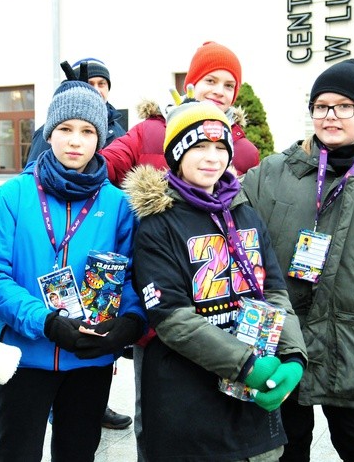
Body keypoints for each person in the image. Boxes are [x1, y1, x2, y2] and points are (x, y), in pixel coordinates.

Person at [242, 59, 354, 462]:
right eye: (321, 106)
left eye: (344, 106)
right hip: (287, 344)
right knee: (288, 450)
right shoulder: (273, 172)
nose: (330, 116)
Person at [122, 91, 307, 461]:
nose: (212, 157)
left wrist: (293, 356)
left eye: (220, 146)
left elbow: (273, 289)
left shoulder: (245, 213)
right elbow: (172, 318)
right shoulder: (158, 223)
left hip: (252, 405)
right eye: (198, 146)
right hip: (187, 404)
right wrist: (246, 365)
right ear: (176, 153)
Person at [0, 72, 147, 462]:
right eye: (65, 128)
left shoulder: (119, 203)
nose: (76, 140)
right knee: (15, 452)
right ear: (48, 132)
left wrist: (126, 324)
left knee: (77, 452)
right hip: (25, 356)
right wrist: (46, 321)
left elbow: (132, 277)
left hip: (90, 357)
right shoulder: (13, 196)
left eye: (88, 131)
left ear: (101, 138)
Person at [102, 41, 260, 187]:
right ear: (193, 83)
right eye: (210, 81)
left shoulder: (246, 152)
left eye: (229, 86)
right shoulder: (148, 132)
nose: (219, 91)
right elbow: (101, 166)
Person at [25, 57, 126, 163]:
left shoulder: (118, 129)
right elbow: (34, 172)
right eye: (90, 84)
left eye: (101, 84)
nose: (96, 89)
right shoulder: (51, 130)